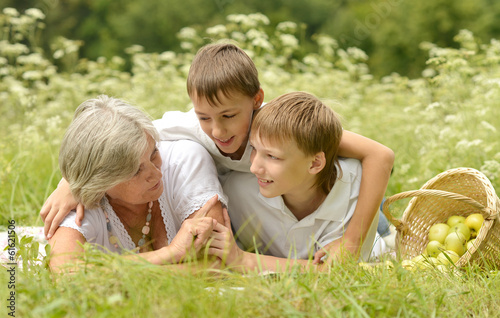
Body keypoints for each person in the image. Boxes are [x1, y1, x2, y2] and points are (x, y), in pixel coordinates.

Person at [41, 42, 394, 263]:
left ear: (257, 100)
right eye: (205, 117)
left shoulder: (282, 130)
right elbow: (108, 144)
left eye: (229, 116)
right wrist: (72, 183)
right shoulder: (189, 126)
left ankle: (383, 232)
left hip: (339, 193)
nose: (218, 131)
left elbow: (380, 156)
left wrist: (349, 243)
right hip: (276, 207)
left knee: (376, 232)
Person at [48, 95, 227, 272]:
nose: (156, 174)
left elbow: (217, 263)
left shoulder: (184, 161)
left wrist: (115, 275)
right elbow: (67, 273)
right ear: (101, 183)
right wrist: (170, 254)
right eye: (135, 171)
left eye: (153, 153)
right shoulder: (80, 203)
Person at [207, 92, 381, 272]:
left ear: (314, 163)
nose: (254, 168)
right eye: (254, 148)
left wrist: (244, 260)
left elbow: (335, 272)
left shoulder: (356, 190)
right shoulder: (237, 190)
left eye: (273, 156)